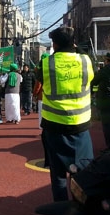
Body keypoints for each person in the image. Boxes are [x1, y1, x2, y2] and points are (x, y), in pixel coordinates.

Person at [37, 27, 95, 201]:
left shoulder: (46, 63)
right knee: (84, 172)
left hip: (54, 127)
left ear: (54, 45)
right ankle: (82, 208)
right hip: (80, 125)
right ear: (73, 43)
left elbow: (40, 81)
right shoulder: (85, 61)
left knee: (58, 174)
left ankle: (61, 211)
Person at [33, 53, 50, 167]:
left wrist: (34, 93)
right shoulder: (51, 68)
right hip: (51, 96)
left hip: (41, 96)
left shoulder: (40, 70)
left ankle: (42, 127)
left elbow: (38, 85)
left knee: (41, 113)